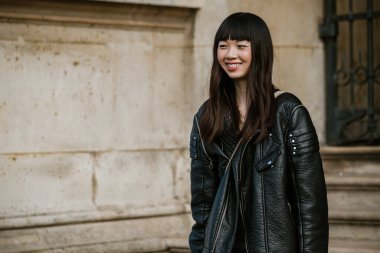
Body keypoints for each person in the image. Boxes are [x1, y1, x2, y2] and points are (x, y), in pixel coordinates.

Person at [188, 12, 329, 253]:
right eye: (223, 46)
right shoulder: (206, 117)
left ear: (260, 51)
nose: (230, 55)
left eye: (241, 46)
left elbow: (310, 208)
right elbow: (203, 208)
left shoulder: (288, 113)